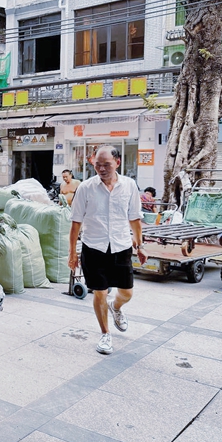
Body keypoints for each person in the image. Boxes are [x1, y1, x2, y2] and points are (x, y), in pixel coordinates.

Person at [68, 146, 147, 355]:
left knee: (127, 292)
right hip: (93, 247)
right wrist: (72, 253)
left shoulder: (129, 186)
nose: (101, 169)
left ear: (117, 163)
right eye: (97, 165)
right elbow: (75, 223)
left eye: (106, 165)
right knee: (99, 292)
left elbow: (135, 219)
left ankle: (117, 307)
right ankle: (105, 334)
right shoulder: (85, 188)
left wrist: (140, 245)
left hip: (121, 246)